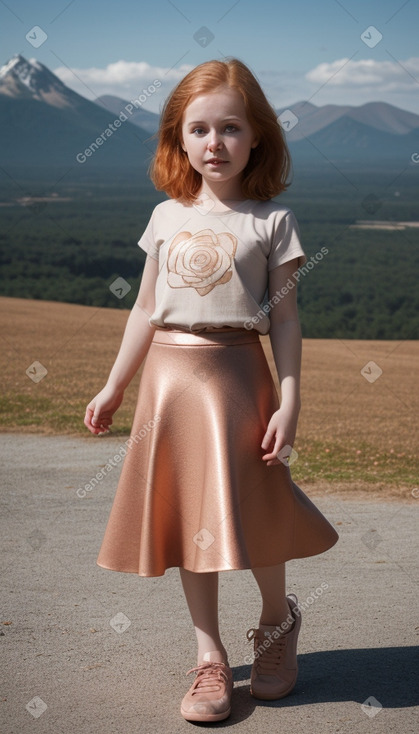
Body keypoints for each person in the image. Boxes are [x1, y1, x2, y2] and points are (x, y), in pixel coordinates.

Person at [84, 58, 338, 723]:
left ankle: (276, 625)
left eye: (230, 127)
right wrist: (115, 386)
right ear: (178, 139)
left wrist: (289, 399)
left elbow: (283, 318)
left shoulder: (271, 221)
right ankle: (209, 657)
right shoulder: (163, 217)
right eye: (198, 129)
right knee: (185, 520)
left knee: (258, 512)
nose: (214, 143)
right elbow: (143, 309)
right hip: (169, 384)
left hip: (239, 375)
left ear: (257, 137)